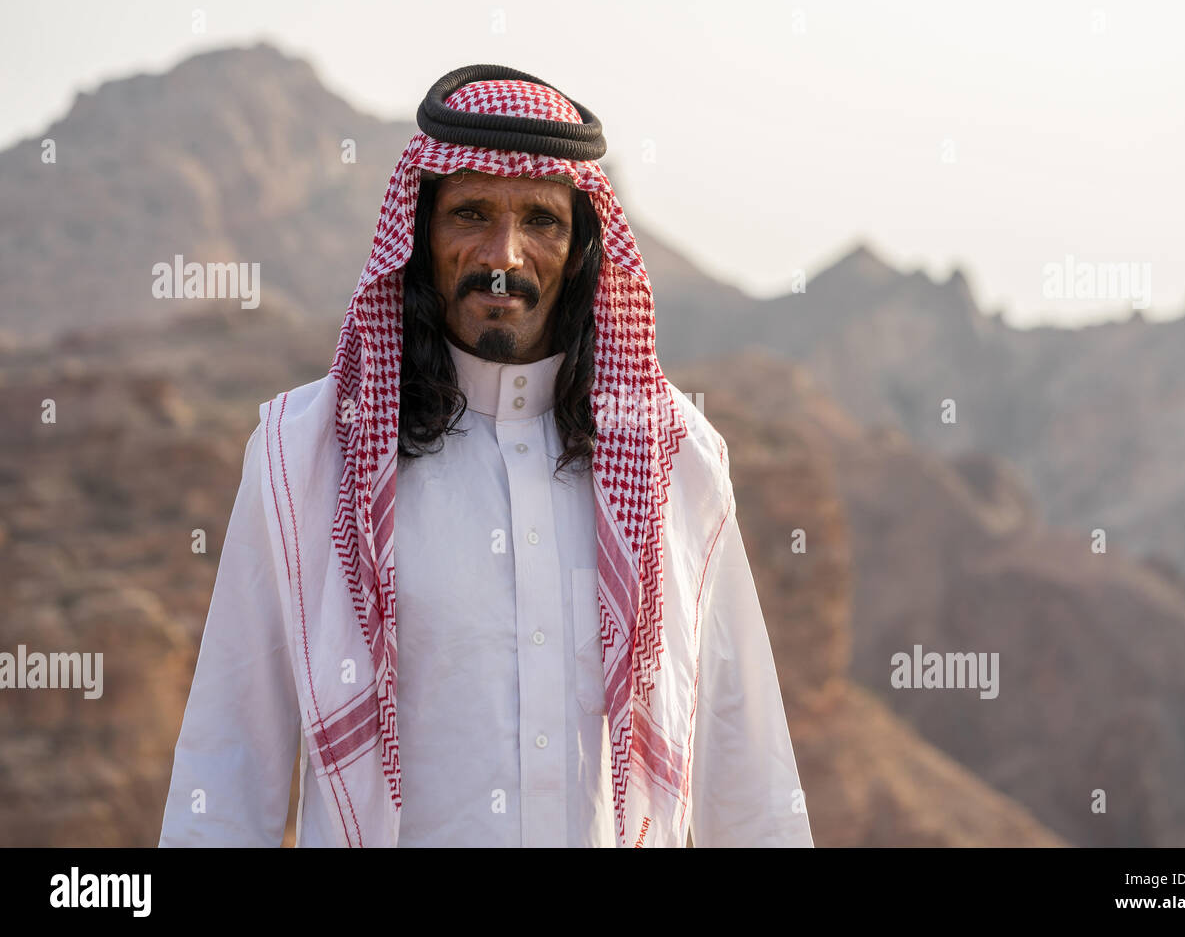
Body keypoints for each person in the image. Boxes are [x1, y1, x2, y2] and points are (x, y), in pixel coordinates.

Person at [158, 64, 812, 848]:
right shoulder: (305, 454)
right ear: (420, 234)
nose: (503, 254)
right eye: (470, 213)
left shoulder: (677, 458)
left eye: (541, 220)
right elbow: (227, 772)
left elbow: (747, 776)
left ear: (579, 252)